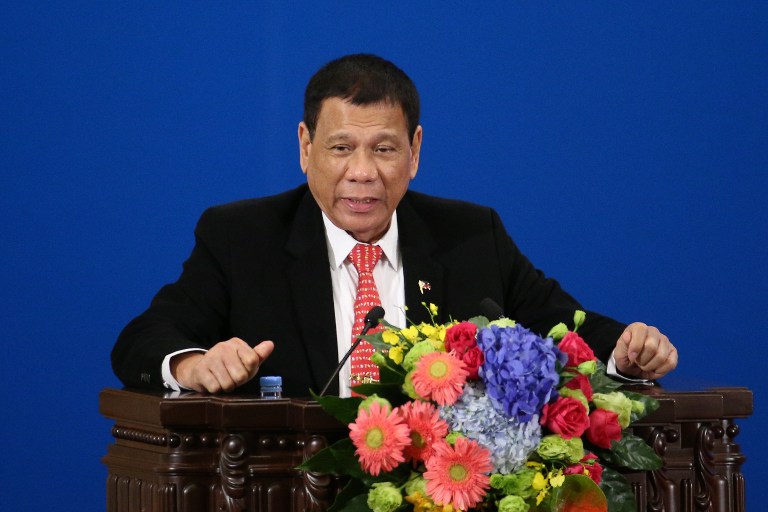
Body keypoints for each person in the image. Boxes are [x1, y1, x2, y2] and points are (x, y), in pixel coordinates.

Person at [112, 54, 677, 397]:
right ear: (305, 148)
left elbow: (566, 326)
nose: (362, 173)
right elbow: (142, 341)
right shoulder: (240, 237)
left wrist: (625, 354)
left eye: (384, 148)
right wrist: (192, 364)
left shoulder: (472, 234)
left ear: (415, 152)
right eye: (340, 148)